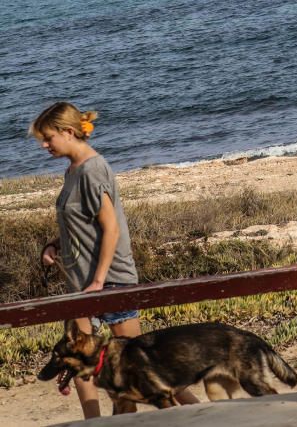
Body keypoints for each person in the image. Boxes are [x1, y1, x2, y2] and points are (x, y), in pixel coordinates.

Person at [30, 101, 198, 419]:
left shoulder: (94, 170)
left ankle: (203, 414)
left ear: (68, 132)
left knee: (142, 363)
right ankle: (96, 423)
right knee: (78, 358)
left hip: (111, 279)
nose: (44, 144)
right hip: (83, 282)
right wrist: (54, 245)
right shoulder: (73, 171)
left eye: (48, 137)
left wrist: (99, 280)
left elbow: (111, 229)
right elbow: (80, 224)